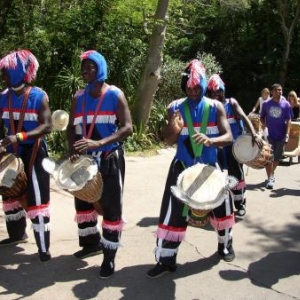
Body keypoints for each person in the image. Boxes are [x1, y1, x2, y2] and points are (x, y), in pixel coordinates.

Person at [147, 59, 235, 279]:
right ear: (184, 86)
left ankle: (225, 246)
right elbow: (168, 141)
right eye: (189, 86)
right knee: (172, 213)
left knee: (222, 208)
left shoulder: (216, 107)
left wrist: (211, 141)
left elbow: (229, 137)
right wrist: (172, 128)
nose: (193, 90)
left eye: (197, 86)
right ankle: (166, 259)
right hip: (181, 168)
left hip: (208, 169)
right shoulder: (174, 107)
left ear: (204, 85)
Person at [67, 50, 133, 279]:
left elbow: (127, 128)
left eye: (90, 67)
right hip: (84, 161)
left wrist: (99, 142)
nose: (85, 71)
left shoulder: (115, 95)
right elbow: (71, 130)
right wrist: (72, 150)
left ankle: (109, 257)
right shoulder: (78, 97)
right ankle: (90, 244)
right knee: (84, 203)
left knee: (111, 208)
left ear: (100, 69)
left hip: (109, 158)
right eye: (83, 68)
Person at [0, 50, 52, 262]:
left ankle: (43, 247)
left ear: (17, 71)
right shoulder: (2, 97)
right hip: (11, 151)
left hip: (35, 151)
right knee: (9, 192)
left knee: (37, 197)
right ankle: (16, 234)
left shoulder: (39, 96)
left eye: (5, 71)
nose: (2, 75)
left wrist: (19, 136)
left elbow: (47, 126)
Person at [206, 74, 264, 217]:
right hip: (217, 148)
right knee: (216, 177)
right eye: (213, 92)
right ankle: (217, 208)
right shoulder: (208, 106)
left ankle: (240, 204)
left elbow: (245, 117)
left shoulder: (231, 103)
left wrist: (254, 134)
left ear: (223, 91)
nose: (216, 94)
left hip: (234, 147)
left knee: (236, 176)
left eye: (218, 91)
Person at [260, 83, 291, 189]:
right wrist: (264, 129)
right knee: (268, 157)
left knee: (277, 158)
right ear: (272, 92)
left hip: (281, 135)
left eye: (281, 90)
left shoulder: (286, 105)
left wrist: (287, 133)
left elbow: (289, 120)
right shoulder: (266, 104)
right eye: (277, 90)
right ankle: (270, 178)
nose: (279, 92)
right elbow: (262, 117)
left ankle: (271, 174)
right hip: (270, 136)